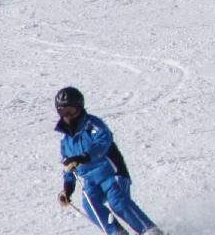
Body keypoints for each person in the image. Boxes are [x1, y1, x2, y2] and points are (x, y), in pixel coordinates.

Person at [54, 86, 164, 235]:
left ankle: (149, 230)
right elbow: (68, 168)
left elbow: (103, 141)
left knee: (117, 201)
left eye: (71, 110)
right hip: (91, 181)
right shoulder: (65, 141)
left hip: (112, 173)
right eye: (62, 111)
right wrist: (67, 190)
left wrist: (83, 157)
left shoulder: (92, 125)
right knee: (90, 205)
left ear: (79, 108)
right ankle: (117, 232)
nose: (67, 116)